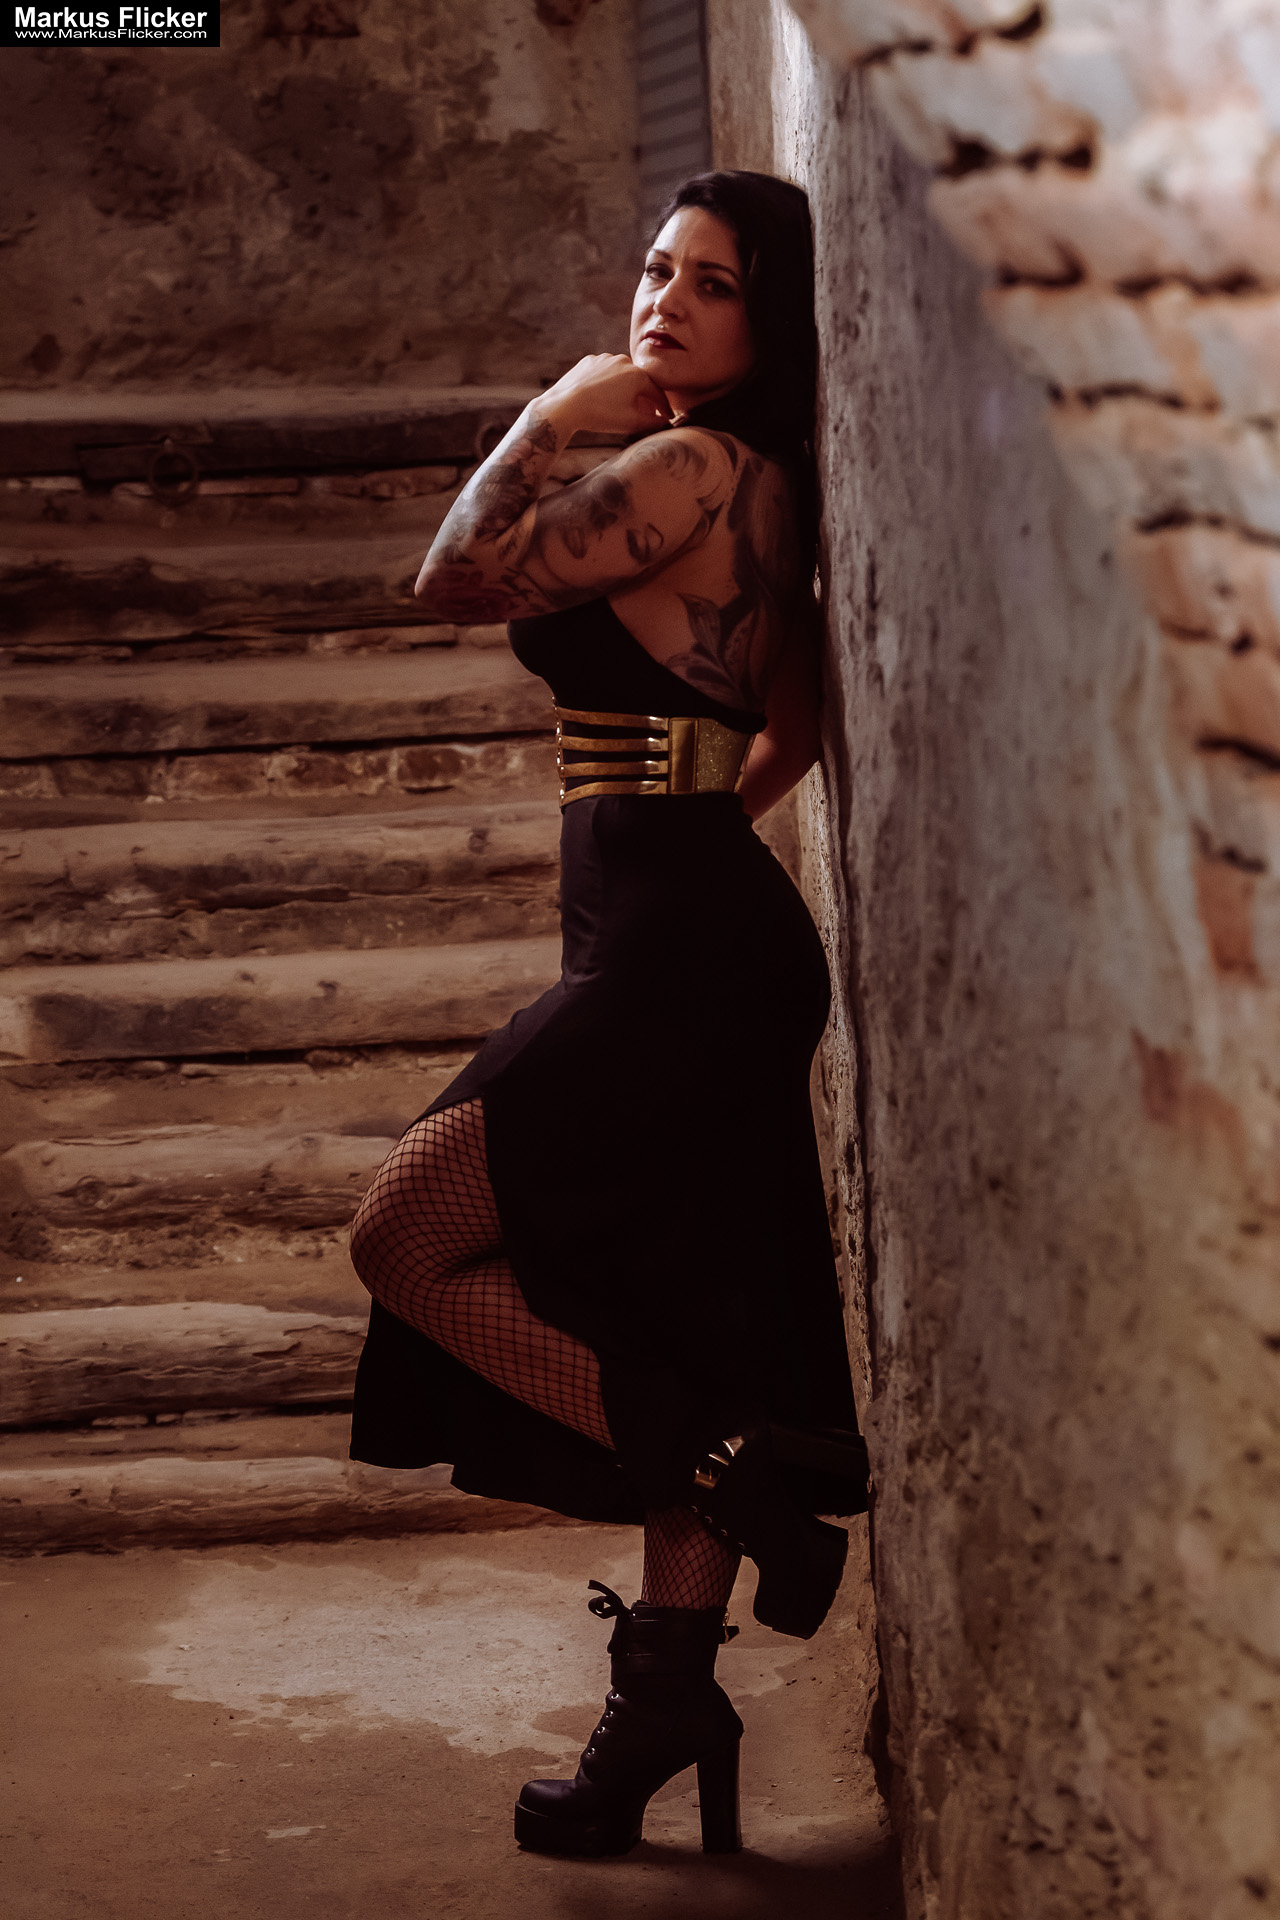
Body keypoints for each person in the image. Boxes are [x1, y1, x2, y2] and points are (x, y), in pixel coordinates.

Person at [348, 169, 868, 1860]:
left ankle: (737, 1472)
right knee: (670, 1303)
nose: (663, 302)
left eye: (711, 283)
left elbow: (454, 578)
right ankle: (666, 1705)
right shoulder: (772, 485)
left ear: (767, 322)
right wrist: (686, 831)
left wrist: (556, 410)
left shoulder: (687, 465)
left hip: (664, 953)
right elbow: (792, 727)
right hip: (704, 932)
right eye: (656, 270)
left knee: (404, 1235)